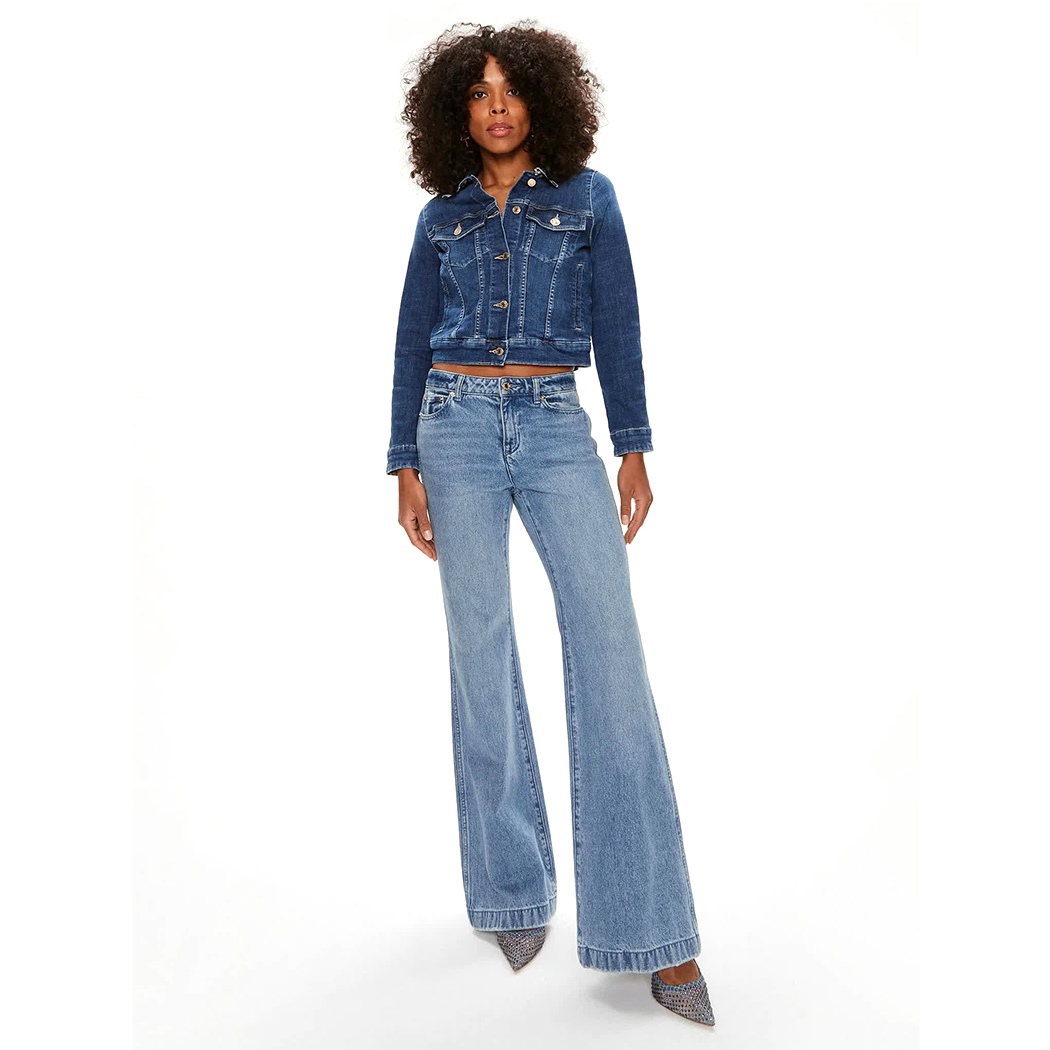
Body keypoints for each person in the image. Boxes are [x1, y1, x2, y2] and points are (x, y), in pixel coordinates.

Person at [385, 21, 715, 1027]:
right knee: (479, 653)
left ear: (542, 99)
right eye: (478, 92)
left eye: (512, 89)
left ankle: (655, 934)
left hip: (557, 425)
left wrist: (634, 446)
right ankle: (511, 894)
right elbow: (410, 338)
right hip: (452, 426)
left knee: (611, 657)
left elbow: (619, 324)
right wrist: (403, 463)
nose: (497, 106)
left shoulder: (588, 198)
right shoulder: (440, 216)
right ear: (456, 111)